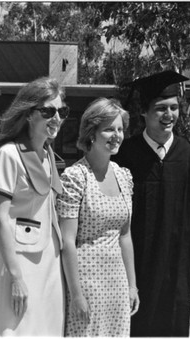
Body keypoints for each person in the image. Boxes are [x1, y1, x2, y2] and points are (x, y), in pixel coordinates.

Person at [112, 70, 190, 337]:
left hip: (178, 264)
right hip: (136, 264)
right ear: (143, 112)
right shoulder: (124, 155)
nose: (169, 115)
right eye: (160, 108)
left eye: (174, 108)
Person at [0, 77, 67, 336]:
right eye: (48, 111)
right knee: (18, 328)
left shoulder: (48, 154)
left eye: (62, 111)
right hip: (20, 260)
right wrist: (15, 276)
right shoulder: (8, 154)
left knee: (47, 328)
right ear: (28, 114)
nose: (57, 118)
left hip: (50, 256)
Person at [57, 98, 139, 337]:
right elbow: (67, 241)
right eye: (109, 129)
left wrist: (132, 285)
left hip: (117, 282)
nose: (117, 136)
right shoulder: (75, 177)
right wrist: (76, 294)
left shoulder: (124, 176)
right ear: (91, 133)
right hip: (86, 281)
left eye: (120, 129)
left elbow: (125, 235)